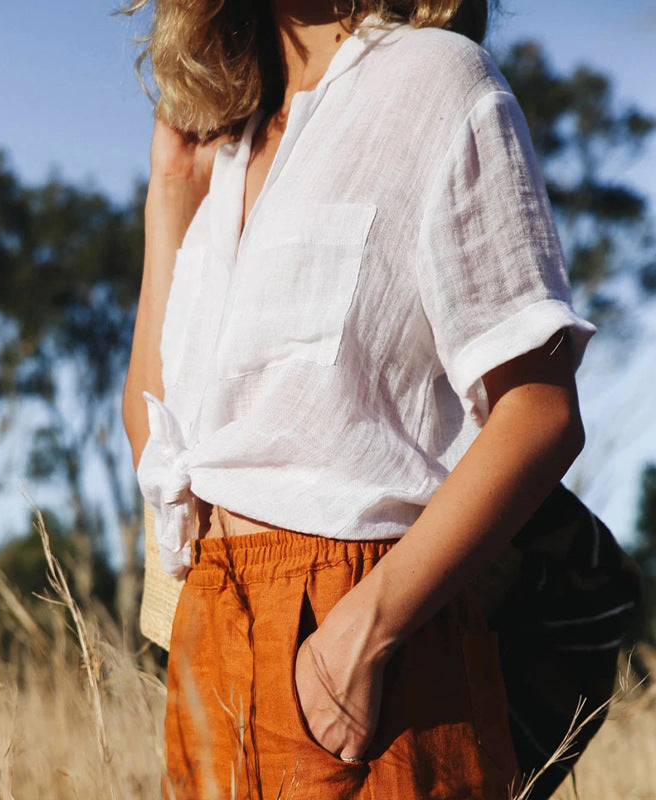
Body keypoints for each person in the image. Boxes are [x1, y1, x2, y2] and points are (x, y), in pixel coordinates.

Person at [122, 1, 597, 798]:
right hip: (206, 629)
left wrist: (358, 638)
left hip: (362, 626)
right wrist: (170, 194)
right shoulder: (231, 145)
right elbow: (161, 447)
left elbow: (540, 411)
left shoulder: (435, 79)